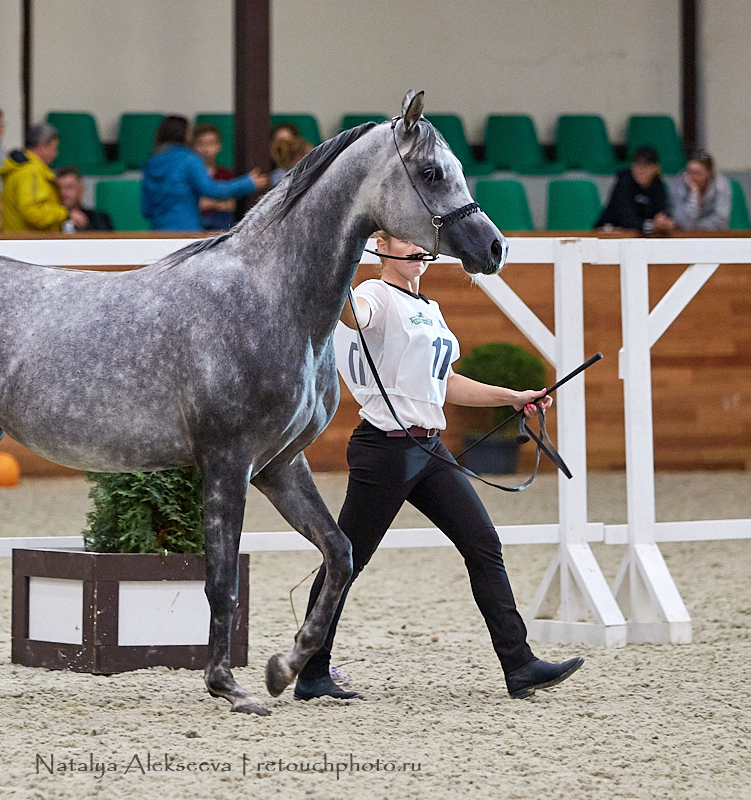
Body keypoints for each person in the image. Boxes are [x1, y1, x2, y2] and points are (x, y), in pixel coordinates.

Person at [295, 230, 584, 702]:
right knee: (345, 560)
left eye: (421, 245)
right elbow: (353, 313)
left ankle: (520, 664)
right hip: (384, 450)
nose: (417, 251)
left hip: (429, 450)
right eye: (405, 243)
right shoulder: (374, 295)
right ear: (381, 246)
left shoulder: (429, 308)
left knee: (484, 545)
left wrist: (513, 398)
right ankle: (310, 670)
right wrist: (342, 259)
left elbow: (446, 383)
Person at [141, 115, 267, 231]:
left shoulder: (151, 162)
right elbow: (212, 190)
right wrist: (248, 182)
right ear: (184, 134)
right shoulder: (189, 159)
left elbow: (146, 209)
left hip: (157, 231)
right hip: (186, 230)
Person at [0, 123, 71, 232]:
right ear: (42, 147)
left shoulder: (19, 168)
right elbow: (32, 212)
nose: (55, 154)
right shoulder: (31, 172)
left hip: (17, 238)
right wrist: (64, 214)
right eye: (54, 148)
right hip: (31, 241)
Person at [595, 146, 674, 233]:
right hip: (612, 233)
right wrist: (650, 225)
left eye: (646, 166)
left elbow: (661, 213)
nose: (641, 170)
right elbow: (625, 219)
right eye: (637, 164)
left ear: (656, 168)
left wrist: (663, 223)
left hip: (644, 237)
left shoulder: (659, 187)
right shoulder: (623, 183)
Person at [191, 123, 237, 230]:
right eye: (201, 144)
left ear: (219, 146)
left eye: (211, 143)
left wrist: (211, 203)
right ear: (194, 147)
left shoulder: (227, 174)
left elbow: (233, 205)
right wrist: (221, 203)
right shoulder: (189, 175)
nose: (206, 149)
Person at [671, 149, 731, 230]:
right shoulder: (681, 183)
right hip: (685, 236)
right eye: (689, 172)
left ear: (708, 173)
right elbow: (681, 220)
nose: (692, 177)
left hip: (713, 235)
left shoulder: (721, 185)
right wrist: (694, 194)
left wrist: (695, 226)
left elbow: (721, 220)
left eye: (697, 173)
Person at [55, 167, 113, 231]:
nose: (63, 192)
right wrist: (67, 215)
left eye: (69, 187)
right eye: (59, 188)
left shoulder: (99, 219)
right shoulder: (50, 221)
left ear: (80, 189)